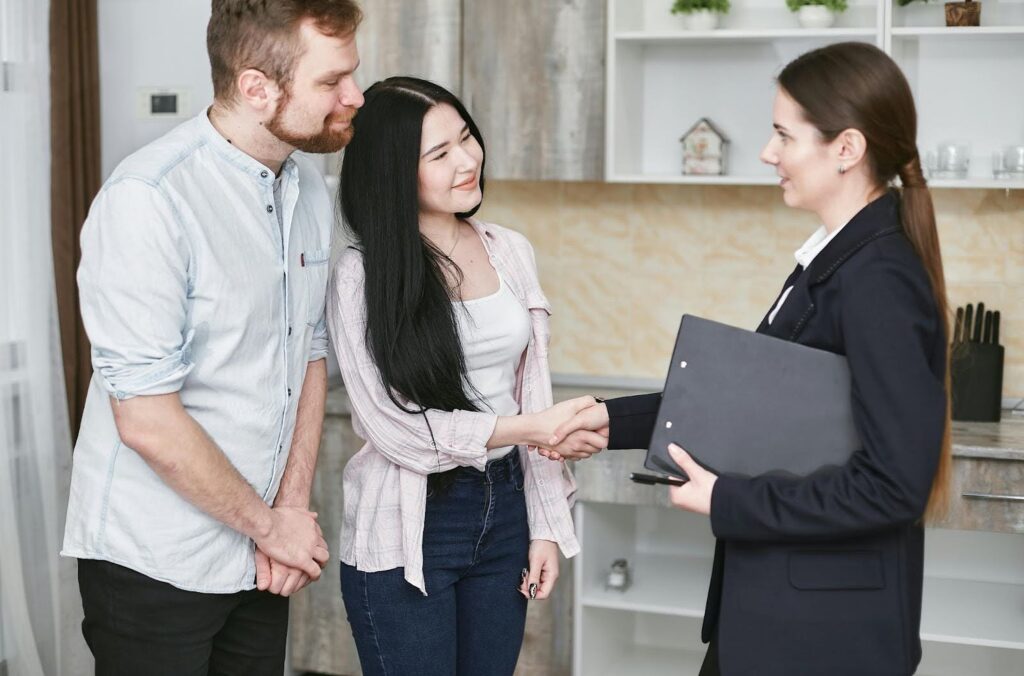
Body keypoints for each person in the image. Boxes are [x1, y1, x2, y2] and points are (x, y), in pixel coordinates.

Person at [547, 42, 951, 676]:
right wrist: (609, 422)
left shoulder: (879, 280)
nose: (769, 153)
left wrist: (728, 499)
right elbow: (754, 408)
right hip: (783, 616)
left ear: (846, 148)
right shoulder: (834, 261)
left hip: (825, 634)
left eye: (783, 136)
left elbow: (893, 488)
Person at [61, 2, 365, 673]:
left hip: (259, 555)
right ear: (257, 87)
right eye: (331, 81)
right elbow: (144, 419)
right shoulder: (149, 199)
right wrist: (271, 526)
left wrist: (288, 511)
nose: (355, 96)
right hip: (155, 559)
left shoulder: (309, 187)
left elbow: (307, 352)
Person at [328, 76, 603, 675]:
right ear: (393, 172)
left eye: (467, 137)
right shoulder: (361, 275)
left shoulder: (509, 249)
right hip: (409, 522)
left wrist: (546, 528)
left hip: (505, 510)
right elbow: (394, 430)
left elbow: (533, 390)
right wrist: (532, 427)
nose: (468, 159)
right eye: (439, 153)